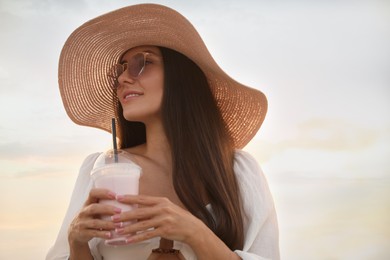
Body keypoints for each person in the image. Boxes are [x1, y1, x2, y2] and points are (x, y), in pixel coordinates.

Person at [46, 3, 279, 260]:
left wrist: (194, 233)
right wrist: (76, 243)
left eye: (140, 63)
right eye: (120, 70)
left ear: (181, 76)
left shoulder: (237, 171)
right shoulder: (105, 166)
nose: (123, 79)